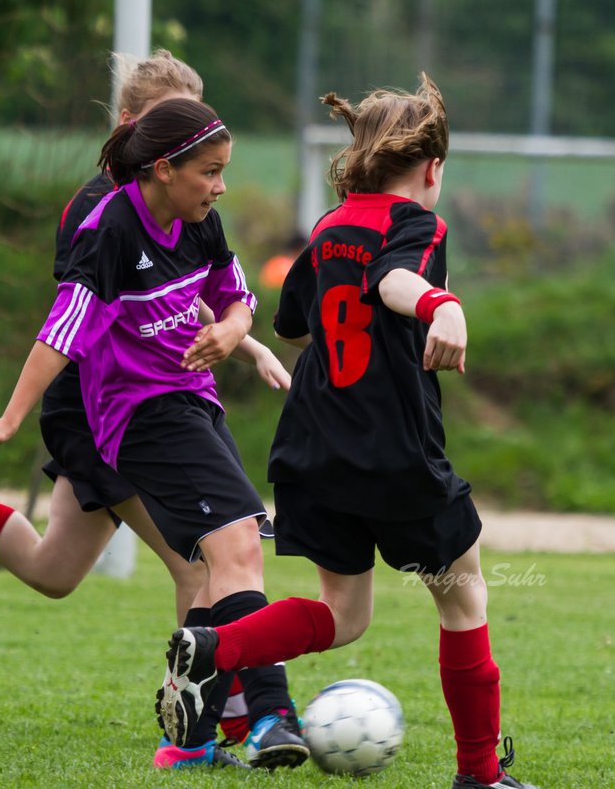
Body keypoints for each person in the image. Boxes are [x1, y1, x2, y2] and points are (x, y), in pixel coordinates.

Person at [0, 51, 291, 767]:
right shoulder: (96, 215)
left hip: (142, 400)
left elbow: (184, 285)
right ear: (143, 136)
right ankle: (213, 727)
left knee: (53, 571)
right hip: (105, 409)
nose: (197, 147)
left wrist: (240, 335)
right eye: (175, 125)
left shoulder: (188, 204)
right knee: (201, 564)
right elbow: (76, 321)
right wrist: (15, 417)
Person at [155, 75, 539, 789]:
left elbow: (294, 324)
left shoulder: (330, 228)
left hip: (312, 450)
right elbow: (396, 280)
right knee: (462, 596)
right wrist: (440, 303)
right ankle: (480, 776)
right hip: (392, 453)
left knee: (344, 614)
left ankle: (215, 646)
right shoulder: (418, 225)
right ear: (431, 168)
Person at [0, 97, 308, 771]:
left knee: (214, 565)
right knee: (237, 552)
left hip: (193, 405)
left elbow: (236, 294)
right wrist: (7, 418)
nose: (221, 185)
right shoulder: (110, 231)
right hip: (140, 417)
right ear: (165, 167)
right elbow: (61, 332)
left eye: (224, 171)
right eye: (210, 171)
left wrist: (235, 331)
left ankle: (191, 738)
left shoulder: (201, 221)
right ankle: (268, 717)